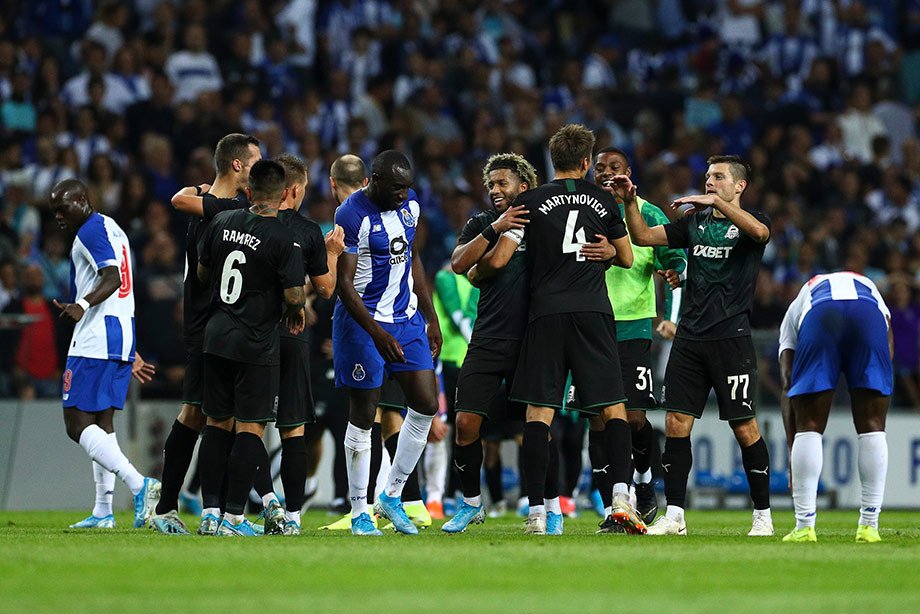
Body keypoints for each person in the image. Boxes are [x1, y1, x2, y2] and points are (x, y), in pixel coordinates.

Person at [613, 154, 774, 537]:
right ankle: (675, 516)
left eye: (719, 177)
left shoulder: (752, 221)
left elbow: (760, 234)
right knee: (675, 423)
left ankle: (763, 515)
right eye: (707, 177)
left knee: (744, 427)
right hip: (690, 338)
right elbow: (643, 237)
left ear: (739, 186)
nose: (709, 182)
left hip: (731, 339)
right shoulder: (694, 223)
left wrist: (717, 203)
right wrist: (631, 202)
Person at [507, 124, 642, 536]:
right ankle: (621, 498)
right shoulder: (604, 200)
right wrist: (608, 251)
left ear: (553, 161)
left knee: (538, 413)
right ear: (586, 162)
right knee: (612, 407)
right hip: (592, 311)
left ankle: (536, 513)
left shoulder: (529, 200)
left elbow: (505, 256)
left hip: (546, 313)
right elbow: (627, 258)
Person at [150, 133, 261, 535]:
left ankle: (213, 510)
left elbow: (181, 198)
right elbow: (180, 200)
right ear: (237, 164)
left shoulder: (202, 201)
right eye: (255, 162)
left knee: (209, 416)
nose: (260, 169)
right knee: (203, 416)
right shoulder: (230, 210)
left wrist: (199, 191)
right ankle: (169, 507)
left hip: (216, 325)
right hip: (209, 326)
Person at [332, 149, 442, 536]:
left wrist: (430, 316)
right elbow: (344, 284)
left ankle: (392, 496)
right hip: (362, 323)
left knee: (426, 404)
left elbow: (414, 258)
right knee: (364, 415)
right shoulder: (351, 214)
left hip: (405, 318)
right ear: (374, 181)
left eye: (407, 187)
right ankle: (360, 512)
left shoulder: (410, 206)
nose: (402, 194)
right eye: (396, 187)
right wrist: (377, 334)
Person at [195, 160, 306, 536]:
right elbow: (295, 296)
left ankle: (209, 514)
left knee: (215, 423)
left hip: (216, 335)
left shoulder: (221, 222)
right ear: (285, 193)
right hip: (255, 342)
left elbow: (203, 273)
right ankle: (232, 518)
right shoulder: (284, 238)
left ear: (248, 191)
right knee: (249, 428)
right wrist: (293, 309)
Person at [49, 178, 160, 530]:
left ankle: (140, 485)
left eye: (63, 207)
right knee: (102, 423)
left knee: (76, 423)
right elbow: (123, 285)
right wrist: (129, 348)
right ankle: (102, 511)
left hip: (95, 338)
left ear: (83, 200)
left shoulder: (89, 231)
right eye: (54, 210)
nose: (58, 216)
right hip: (119, 334)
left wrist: (81, 305)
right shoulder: (114, 228)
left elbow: (112, 277)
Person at [587, 147, 686, 533]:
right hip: (588, 325)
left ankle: (643, 483)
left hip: (632, 326)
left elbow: (675, 263)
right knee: (597, 419)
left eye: (614, 167)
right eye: (599, 168)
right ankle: (612, 507)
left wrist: (672, 315)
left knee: (632, 417)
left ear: (629, 173)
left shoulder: (648, 214)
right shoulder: (582, 209)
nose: (606, 173)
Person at [441, 152, 535, 533]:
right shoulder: (481, 223)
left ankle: (544, 506)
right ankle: (470, 504)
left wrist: (484, 268)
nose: (495, 189)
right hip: (487, 337)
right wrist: (496, 228)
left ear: (523, 186)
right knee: (465, 422)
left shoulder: (542, 223)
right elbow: (459, 263)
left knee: (536, 427)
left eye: (502, 183)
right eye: (491, 184)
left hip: (531, 338)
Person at [779, 272, 893, 543]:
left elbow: (787, 380)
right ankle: (869, 526)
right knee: (873, 425)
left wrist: (792, 448)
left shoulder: (795, 308)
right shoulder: (873, 291)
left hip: (821, 314)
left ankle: (804, 526)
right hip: (868, 315)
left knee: (809, 426)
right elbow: (888, 349)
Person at [272, 153, 344, 535]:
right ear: (295, 189)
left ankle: (231, 512)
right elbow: (326, 287)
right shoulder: (308, 231)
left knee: (242, 426)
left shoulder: (242, 222)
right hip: (292, 336)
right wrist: (331, 254)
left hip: (249, 336)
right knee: (293, 430)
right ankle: (293, 516)